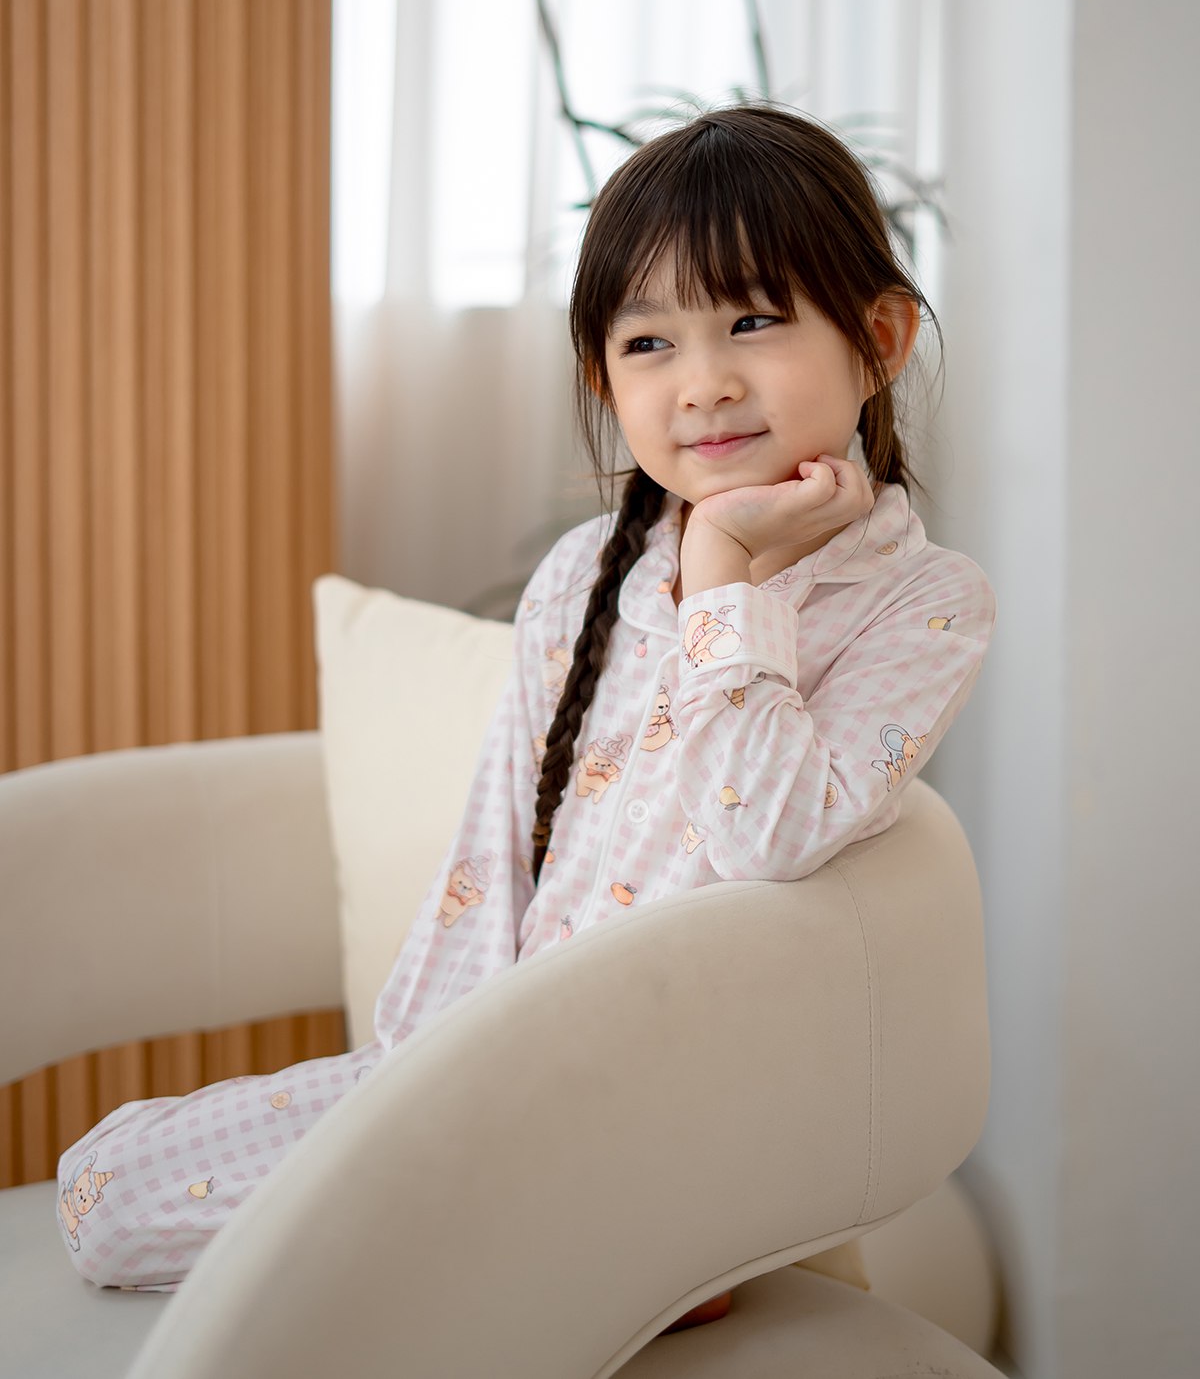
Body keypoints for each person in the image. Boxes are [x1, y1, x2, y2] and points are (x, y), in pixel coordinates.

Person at [56, 104, 995, 1297]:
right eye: (648, 343)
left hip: (684, 1131)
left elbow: (766, 835)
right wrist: (422, 1089)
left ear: (881, 335)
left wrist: (722, 576)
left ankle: (550, 1252)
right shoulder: (579, 582)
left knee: (348, 1248)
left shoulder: (924, 605)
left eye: (753, 321)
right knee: (107, 1190)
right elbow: (488, 870)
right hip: (496, 1085)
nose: (703, 386)